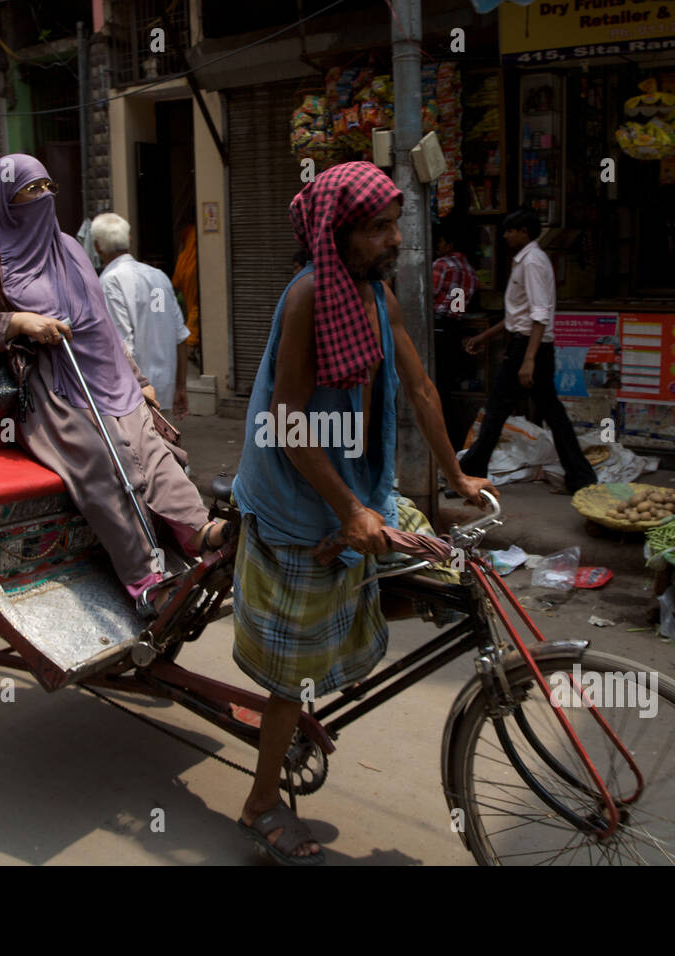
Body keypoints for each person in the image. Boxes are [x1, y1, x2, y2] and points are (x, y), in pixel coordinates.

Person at [230, 161, 495, 863]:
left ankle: (358, 618)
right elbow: (287, 421)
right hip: (297, 488)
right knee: (292, 679)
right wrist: (347, 510)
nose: (393, 238)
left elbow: (422, 389)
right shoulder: (309, 297)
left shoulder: (378, 295)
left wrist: (455, 474)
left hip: (356, 479)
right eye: (377, 228)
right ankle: (260, 802)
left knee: (444, 575)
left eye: (394, 225)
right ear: (337, 233)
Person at [0, 154, 228, 611]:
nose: (43, 197)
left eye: (48, 187)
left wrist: (137, 378)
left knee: (153, 449)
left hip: (105, 375)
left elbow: (100, 323)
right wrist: (16, 322)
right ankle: (144, 576)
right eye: (30, 190)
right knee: (103, 462)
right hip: (48, 388)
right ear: (5, 200)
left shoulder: (66, 247)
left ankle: (199, 532)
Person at [460, 209, 597, 493]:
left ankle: (471, 473)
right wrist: (485, 336)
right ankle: (581, 475)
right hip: (529, 344)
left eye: (511, 230)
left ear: (524, 232)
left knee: (497, 410)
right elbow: (518, 316)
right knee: (549, 411)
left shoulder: (532, 261)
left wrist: (529, 360)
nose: (506, 235)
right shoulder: (527, 260)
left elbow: (539, 314)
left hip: (529, 347)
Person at [93, 212, 191, 419]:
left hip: (134, 394)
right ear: (129, 240)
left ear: (97, 247)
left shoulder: (110, 281)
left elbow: (121, 344)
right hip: (163, 387)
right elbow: (180, 335)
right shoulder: (158, 276)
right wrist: (180, 386)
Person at [432, 219, 479, 445]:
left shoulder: (442, 265)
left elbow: (426, 294)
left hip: (437, 326)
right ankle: (454, 438)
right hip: (454, 327)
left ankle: (440, 438)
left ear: (448, 243)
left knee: (433, 387)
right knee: (446, 387)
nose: (437, 245)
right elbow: (458, 305)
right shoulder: (469, 270)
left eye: (439, 241)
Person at [171, 223, 201, 355]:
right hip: (194, 276)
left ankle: (190, 342)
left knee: (191, 309)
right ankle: (191, 343)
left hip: (184, 280)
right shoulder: (196, 255)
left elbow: (175, 281)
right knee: (195, 308)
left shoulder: (184, 255)